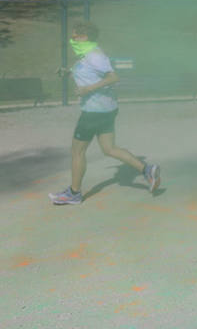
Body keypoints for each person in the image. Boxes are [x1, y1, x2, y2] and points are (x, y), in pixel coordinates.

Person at [50, 22, 160, 205]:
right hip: (105, 110)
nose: (72, 39)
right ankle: (147, 170)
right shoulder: (88, 55)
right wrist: (68, 73)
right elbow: (90, 74)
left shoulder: (95, 55)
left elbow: (113, 77)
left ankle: (74, 193)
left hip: (93, 111)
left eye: (75, 36)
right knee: (109, 149)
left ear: (85, 37)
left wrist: (88, 89)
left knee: (77, 151)